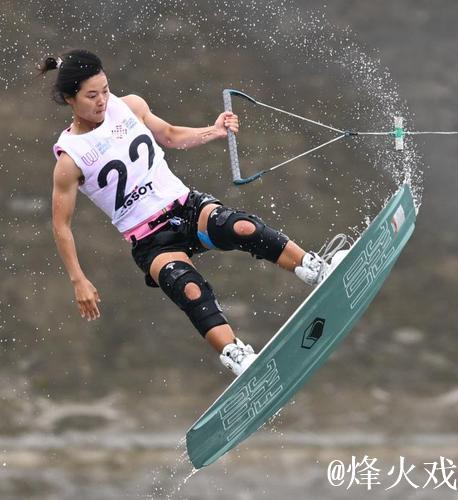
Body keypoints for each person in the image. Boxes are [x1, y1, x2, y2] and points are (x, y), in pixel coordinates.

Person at [45, 49, 343, 376]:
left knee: (241, 227)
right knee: (188, 289)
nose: (102, 100)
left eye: (105, 90)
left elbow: (170, 136)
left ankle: (314, 269)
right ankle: (237, 356)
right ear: (70, 99)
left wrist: (213, 131)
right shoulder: (70, 159)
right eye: (91, 96)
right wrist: (78, 280)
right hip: (151, 241)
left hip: (186, 208)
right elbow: (61, 226)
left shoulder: (130, 106)